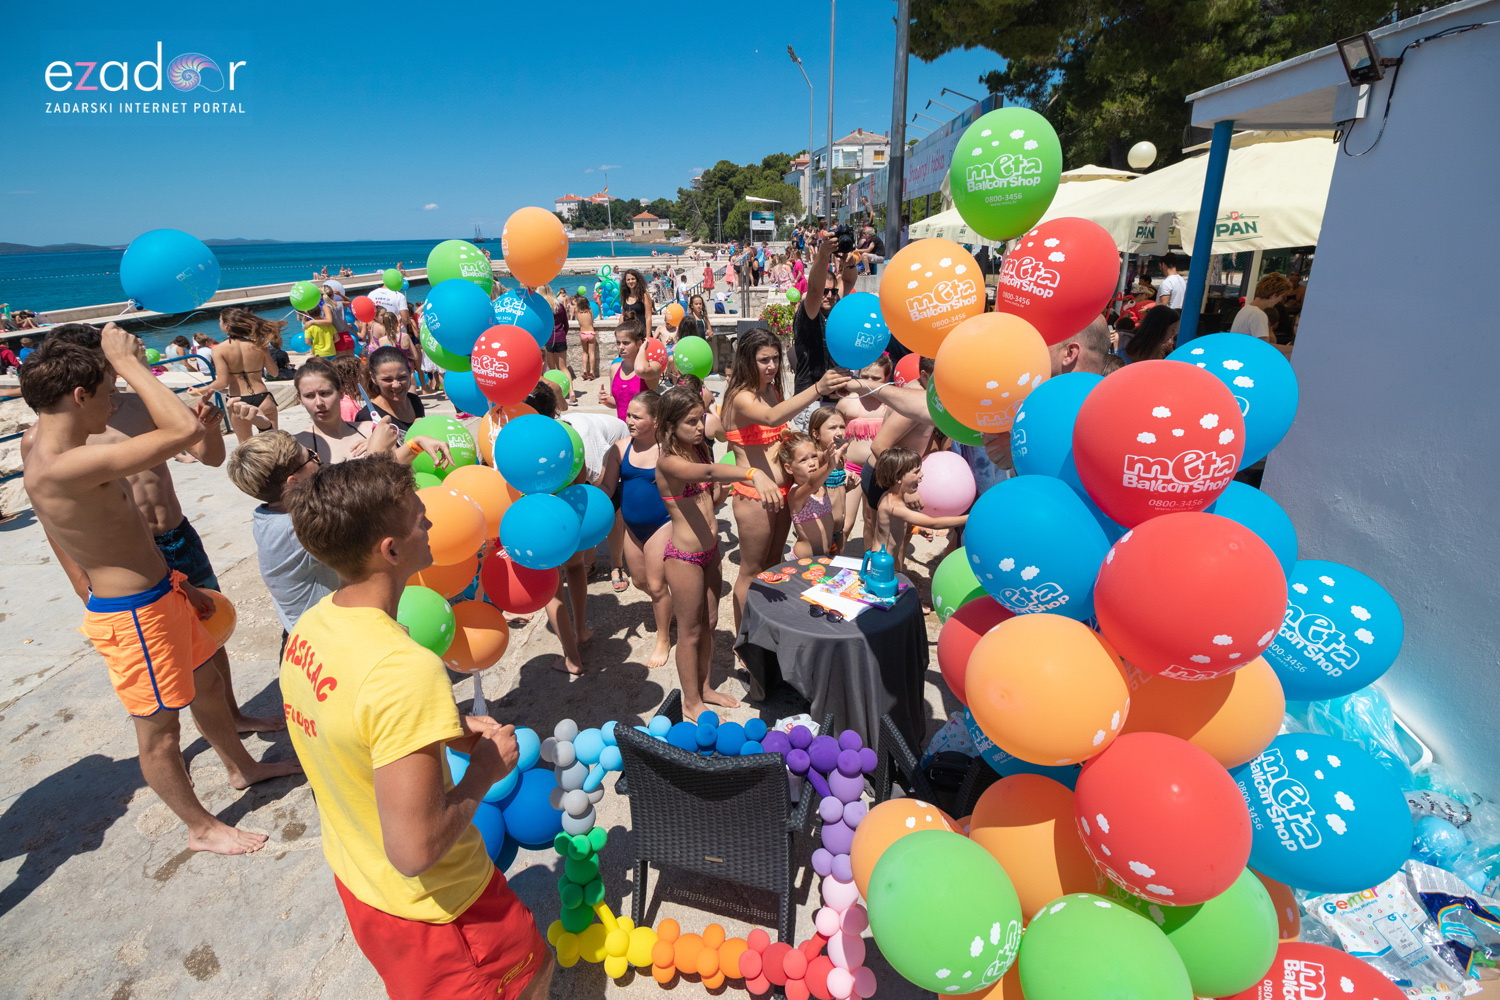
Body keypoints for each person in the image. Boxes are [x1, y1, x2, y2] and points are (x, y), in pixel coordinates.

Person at [279, 457, 551, 1000]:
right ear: (391, 549)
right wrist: (484, 773)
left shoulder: (313, 625)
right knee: (533, 974)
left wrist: (442, 722)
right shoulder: (405, 669)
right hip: (439, 911)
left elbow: (351, 721)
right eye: (419, 516)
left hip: (361, 881)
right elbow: (415, 849)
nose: (430, 523)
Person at [20, 326, 298, 855]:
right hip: (134, 615)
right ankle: (200, 827)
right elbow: (179, 430)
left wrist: (178, 585)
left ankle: (242, 767)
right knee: (159, 734)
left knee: (210, 685)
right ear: (80, 397)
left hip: (160, 589)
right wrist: (128, 363)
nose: (112, 405)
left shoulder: (74, 450)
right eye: (106, 392)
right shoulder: (62, 465)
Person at [656, 386, 778, 721]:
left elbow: (708, 500)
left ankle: (706, 688)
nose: (699, 427)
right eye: (690, 422)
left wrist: (720, 496)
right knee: (690, 632)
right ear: (669, 426)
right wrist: (751, 473)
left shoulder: (699, 451)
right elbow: (707, 475)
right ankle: (690, 700)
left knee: (708, 624)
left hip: (711, 552)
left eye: (701, 419)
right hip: (684, 559)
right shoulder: (668, 462)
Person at [721, 329, 850, 632]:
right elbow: (771, 418)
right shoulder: (740, 396)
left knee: (773, 566)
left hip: (781, 491)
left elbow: (774, 430)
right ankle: (744, 638)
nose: (772, 366)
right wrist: (818, 387)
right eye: (763, 360)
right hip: (754, 495)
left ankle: (765, 627)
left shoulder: (768, 389)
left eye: (775, 359)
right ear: (746, 361)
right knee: (751, 571)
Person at [224, 430, 338, 654]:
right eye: (312, 457)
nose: (318, 459)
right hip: (322, 644)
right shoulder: (297, 529)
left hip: (299, 635)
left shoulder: (267, 515)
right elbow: (365, 508)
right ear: (294, 482)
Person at [612, 392, 674, 668]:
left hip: (662, 524)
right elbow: (606, 487)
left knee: (657, 584)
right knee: (640, 581)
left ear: (656, 420)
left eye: (637, 416)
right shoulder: (620, 448)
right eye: (628, 415)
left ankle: (663, 638)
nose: (629, 421)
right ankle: (669, 605)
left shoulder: (668, 450)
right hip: (632, 527)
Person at [871, 447, 968, 577]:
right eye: (916, 472)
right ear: (898, 478)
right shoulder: (893, 507)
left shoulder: (891, 496)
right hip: (882, 562)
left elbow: (891, 528)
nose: (922, 475)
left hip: (889, 558)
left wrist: (916, 529)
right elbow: (933, 523)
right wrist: (970, 518)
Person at [196, 307, 282, 442]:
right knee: (275, 442)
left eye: (220, 321)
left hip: (238, 401)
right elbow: (274, 373)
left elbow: (222, 382)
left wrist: (199, 390)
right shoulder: (259, 346)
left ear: (227, 325)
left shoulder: (219, 350)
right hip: (263, 397)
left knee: (245, 445)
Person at [779, 431, 838, 558]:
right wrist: (829, 466)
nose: (811, 463)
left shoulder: (822, 486)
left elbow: (826, 523)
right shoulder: (796, 494)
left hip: (824, 556)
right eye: (803, 460)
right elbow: (811, 485)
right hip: (803, 560)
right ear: (789, 468)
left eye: (814, 456)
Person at [356, 346, 425, 440]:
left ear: (410, 373)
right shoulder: (367, 416)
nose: (396, 385)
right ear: (373, 378)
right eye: (387, 379)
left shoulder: (414, 400)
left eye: (402, 377)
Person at [599, 320, 661, 422]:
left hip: (646, 431)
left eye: (626, 343)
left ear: (639, 343)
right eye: (618, 343)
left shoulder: (653, 366)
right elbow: (617, 402)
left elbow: (640, 370)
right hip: (624, 429)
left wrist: (642, 349)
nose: (621, 347)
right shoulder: (615, 368)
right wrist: (605, 400)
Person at [1230, 273, 1293, 342]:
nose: (1281, 300)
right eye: (1282, 296)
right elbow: (1264, 346)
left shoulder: (1246, 309)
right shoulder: (1258, 314)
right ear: (1274, 295)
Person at [542, 286, 569, 373]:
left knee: (551, 369)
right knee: (563, 367)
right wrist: (562, 334)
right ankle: (570, 387)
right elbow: (566, 324)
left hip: (548, 339)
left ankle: (554, 386)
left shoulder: (543, 308)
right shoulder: (560, 306)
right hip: (560, 337)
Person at [575, 294, 598, 382]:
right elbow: (591, 321)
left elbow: (578, 321)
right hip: (591, 332)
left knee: (585, 352)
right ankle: (592, 372)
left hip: (583, 333)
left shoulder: (577, 311)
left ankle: (584, 370)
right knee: (591, 353)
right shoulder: (590, 310)